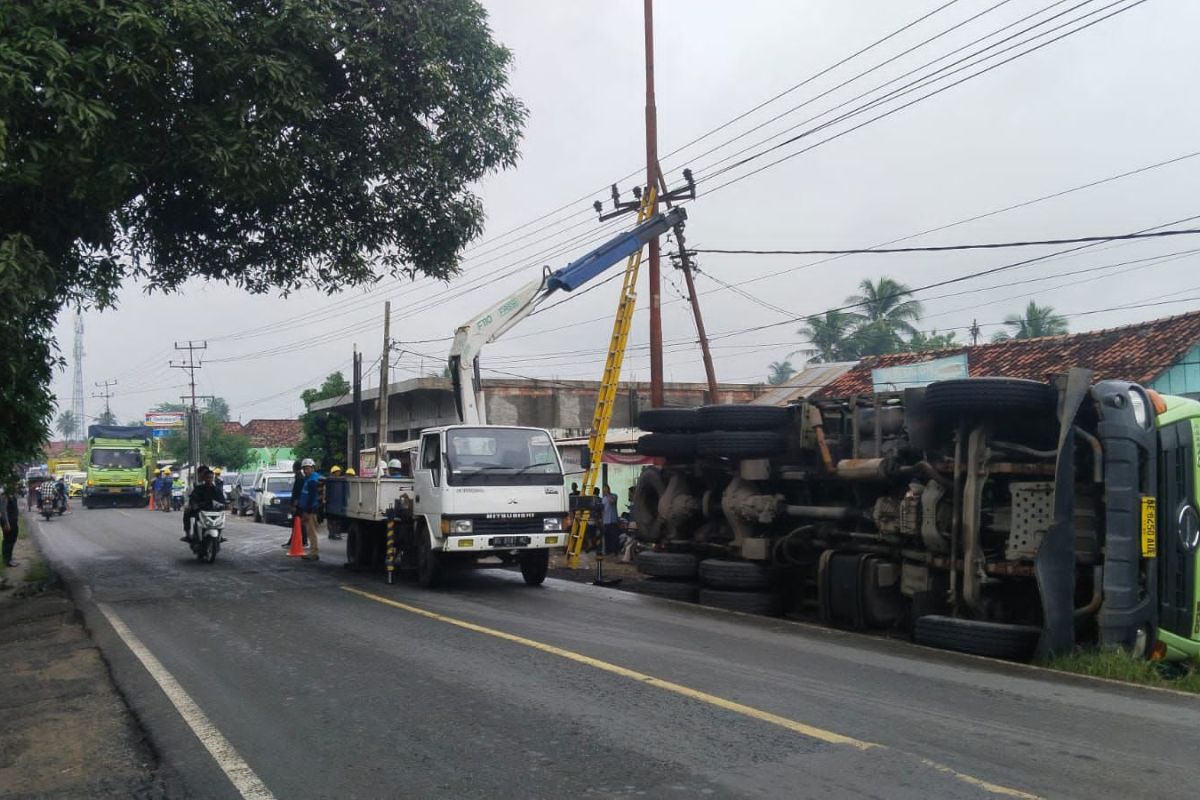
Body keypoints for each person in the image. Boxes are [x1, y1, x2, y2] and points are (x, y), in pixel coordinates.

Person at [181, 466, 223, 542]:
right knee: (187, 512)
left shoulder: (215, 488)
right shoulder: (195, 486)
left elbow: (221, 499)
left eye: (210, 477)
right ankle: (188, 534)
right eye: (204, 474)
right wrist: (192, 504)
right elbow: (191, 497)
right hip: (199, 508)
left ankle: (220, 534)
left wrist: (221, 504)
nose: (208, 479)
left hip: (212, 509)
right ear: (199, 474)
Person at [297, 458, 322, 561]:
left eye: (307, 468)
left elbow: (312, 497)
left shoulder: (312, 480)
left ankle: (314, 553)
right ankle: (313, 551)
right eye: (304, 469)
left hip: (311, 510)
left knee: (312, 532)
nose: (305, 471)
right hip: (309, 509)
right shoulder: (309, 479)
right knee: (310, 531)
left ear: (312, 468)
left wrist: (307, 512)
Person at [282, 460, 308, 549]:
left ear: (295, 468)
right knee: (298, 523)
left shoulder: (300, 478)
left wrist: (295, 503)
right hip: (299, 503)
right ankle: (302, 541)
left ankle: (299, 542)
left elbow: (298, 492)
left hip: (298, 504)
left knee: (297, 523)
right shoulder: (299, 477)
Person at [601, 484, 620, 556]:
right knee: (607, 537)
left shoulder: (614, 495)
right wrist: (602, 520)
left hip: (613, 520)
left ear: (608, 489)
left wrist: (608, 494)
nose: (604, 490)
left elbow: (612, 501)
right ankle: (608, 551)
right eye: (603, 489)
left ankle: (615, 551)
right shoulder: (603, 499)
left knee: (614, 537)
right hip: (606, 521)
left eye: (606, 488)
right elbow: (603, 510)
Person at [2, 481, 17, 567]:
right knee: (8, 540)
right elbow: (3, 511)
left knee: (12, 539)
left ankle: (10, 558)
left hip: (13, 521)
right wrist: (6, 523)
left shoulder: (12, 495)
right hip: (8, 522)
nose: (15, 486)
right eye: (14, 485)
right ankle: (7, 560)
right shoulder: (5, 495)